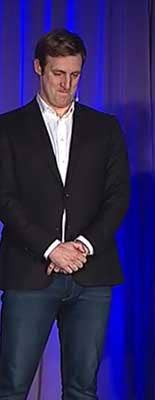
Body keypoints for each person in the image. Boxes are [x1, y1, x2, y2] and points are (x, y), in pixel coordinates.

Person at [0, 28, 130, 399]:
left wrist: (82, 246)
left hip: (92, 274)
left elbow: (118, 197)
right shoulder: (7, 128)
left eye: (75, 75)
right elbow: (5, 198)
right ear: (38, 67)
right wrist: (51, 249)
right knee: (11, 387)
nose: (66, 84)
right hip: (29, 272)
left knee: (82, 389)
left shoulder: (105, 128)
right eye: (58, 73)